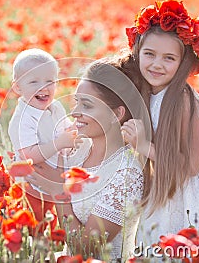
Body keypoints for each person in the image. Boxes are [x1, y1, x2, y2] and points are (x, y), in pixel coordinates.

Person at [120, 0, 199, 247]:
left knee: (182, 249)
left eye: (169, 58)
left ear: (183, 63)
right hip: (164, 185)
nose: (157, 64)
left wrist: (143, 146)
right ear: (137, 52)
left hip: (190, 197)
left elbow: (190, 169)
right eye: (149, 54)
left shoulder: (183, 101)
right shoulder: (147, 91)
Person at [27, 58, 150, 261]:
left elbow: (87, 250)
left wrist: (59, 191)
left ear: (116, 114)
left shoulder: (127, 174)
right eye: (77, 102)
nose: (75, 112)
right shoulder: (78, 148)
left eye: (87, 105)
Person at [8, 48, 81, 229]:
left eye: (50, 81)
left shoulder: (55, 107)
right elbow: (28, 154)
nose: (44, 87)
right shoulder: (22, 118)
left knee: (53, 225)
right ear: (18, 87)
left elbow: (65, 129)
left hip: (54, 179)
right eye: (34, 82)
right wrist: (59, 143)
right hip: (32, 185)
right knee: (36, 227)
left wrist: (77, 128)